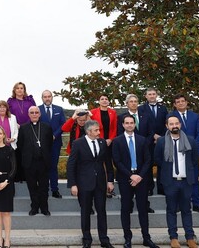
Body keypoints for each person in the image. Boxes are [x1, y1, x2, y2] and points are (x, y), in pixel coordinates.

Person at [112, 115, 159, 248]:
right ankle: (127, 238)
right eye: (126, 123)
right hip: (125, 178)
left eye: (132, 123)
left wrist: (139, 176)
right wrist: (131, 176)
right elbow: (117, 161)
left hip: (141, 178)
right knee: (126, 208)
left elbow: (148, 160)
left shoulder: (142, 140)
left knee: (143, 208)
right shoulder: (117, 141)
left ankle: (146, 237)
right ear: (123, 125)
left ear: (134, 124)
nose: (129, 125)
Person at [67, 120, 115, 248]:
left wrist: (110, 180)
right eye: (96, 130)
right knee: (85, 212)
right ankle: (87, 239)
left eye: (99, 130)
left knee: (102, 211)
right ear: (88, 131)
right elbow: (71, 164)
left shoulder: (102, 142)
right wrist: (73, 184)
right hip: (84, 183)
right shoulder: (78, 143)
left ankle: (104, 239)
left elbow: (108, 163)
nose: (99, 132)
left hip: (100, 184)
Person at [154, 116, 199, 248]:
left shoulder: (190, 140)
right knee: (171, 210)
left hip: (186, 181)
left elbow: (195, 159)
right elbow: (157, 159)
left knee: (186, 210)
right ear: (167, 126)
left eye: (176, 123)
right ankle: (173, 237)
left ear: (180, 125)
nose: (174, 126)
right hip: (170, 182)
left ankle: (190, 237)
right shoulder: (161, 142)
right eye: (171, 124)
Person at [168, 94, 199, 214]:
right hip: (177, 152)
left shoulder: (195, 116)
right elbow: (169, 133)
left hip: (193, 152)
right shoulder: (171, 117)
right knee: (179, 180)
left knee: (194, 178)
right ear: (174, 104)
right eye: (177, 102)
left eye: (182, 101)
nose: (180, 103)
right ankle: (180, 204)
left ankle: (196, 204)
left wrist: (192, 146)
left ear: (186, 102)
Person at [119, 94, 155, 213]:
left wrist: (144, 144)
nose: (134, 103)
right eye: (131, 101)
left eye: (135, 101)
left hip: (144, 152)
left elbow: (151, 133)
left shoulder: (146, 116)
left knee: (145, 179)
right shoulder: (122, 117)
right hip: (127, 153)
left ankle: (146, 204)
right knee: (127, 182)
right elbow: (120, 135)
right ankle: (128, 204)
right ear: (127, 104)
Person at [17, 106, 53, 216]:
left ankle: (44, 208)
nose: (34, 114)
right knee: (32, 187)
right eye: (32, 112)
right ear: (28, 115)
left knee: (44, 187)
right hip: (29, 163)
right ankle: (34, 207)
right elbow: (20, 145)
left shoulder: (47, 127)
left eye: (36, 112)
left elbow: (49, 144)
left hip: (43, 162)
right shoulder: (23, 128)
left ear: (40, 114)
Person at [138, 87, 169, 196]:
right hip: (148, 141)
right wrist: (153, 136)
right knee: (148, 164)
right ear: (146, 96)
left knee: (162, 164)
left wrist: (161, 137)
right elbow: (142, 125)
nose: (151, 96)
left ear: (156, 95)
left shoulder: (163, 108)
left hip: (162, 140)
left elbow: (167, 123)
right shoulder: (141, 109)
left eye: (153, 94)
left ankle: (162, 188)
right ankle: (149, 188)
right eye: (149, 94)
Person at [38, 90, 67, 198]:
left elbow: (63, 125)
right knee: (43, 167)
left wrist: (55, 135)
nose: (47, 98)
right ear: (42, 98)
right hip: (42, 143)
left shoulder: (59, 109)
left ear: (52, 97)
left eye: (49, 96)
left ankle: (55, 189)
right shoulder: (38, 110)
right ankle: (43, 189)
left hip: (56, 142)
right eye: (45, 96)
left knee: (53, 166)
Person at [7, 82, 35, 182]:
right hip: (15, 129)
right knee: (17, 152)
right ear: (14, 90)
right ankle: (17, 176)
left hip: (29, 128)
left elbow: (34, 113)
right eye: (17, 88)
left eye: (21, 88)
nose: (19, 90)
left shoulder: (29, 101)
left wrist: (25, 125)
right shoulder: (10, 101)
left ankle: (27, 176)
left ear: (24, 90)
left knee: (27, 152)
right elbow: (8, 115)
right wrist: (16, 125)